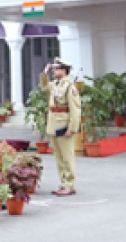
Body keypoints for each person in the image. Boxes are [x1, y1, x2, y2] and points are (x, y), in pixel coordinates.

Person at [40, 58, 82, 196]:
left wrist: (72, 128)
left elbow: (75, 110)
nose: (54, 71)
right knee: (59, 157)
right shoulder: (55, 84)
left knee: (67, 157)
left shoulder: (70, 87)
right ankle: (63, 183)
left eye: (56, 69)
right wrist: (44, 74)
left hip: (64, 126)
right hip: (54, 124)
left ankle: (70, 185)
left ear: (64, 71)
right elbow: (44, 86)